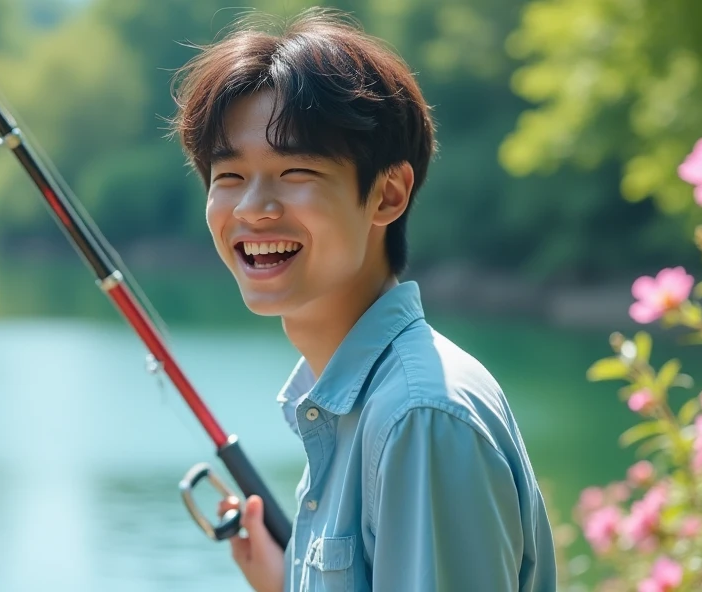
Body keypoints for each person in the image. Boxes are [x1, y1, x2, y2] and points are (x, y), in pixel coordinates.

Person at [169, 8, 558, 592]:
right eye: (228, 177)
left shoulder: (418, 418)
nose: (252, 208)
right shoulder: (359, 402)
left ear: (387, 194)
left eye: (295, 170)